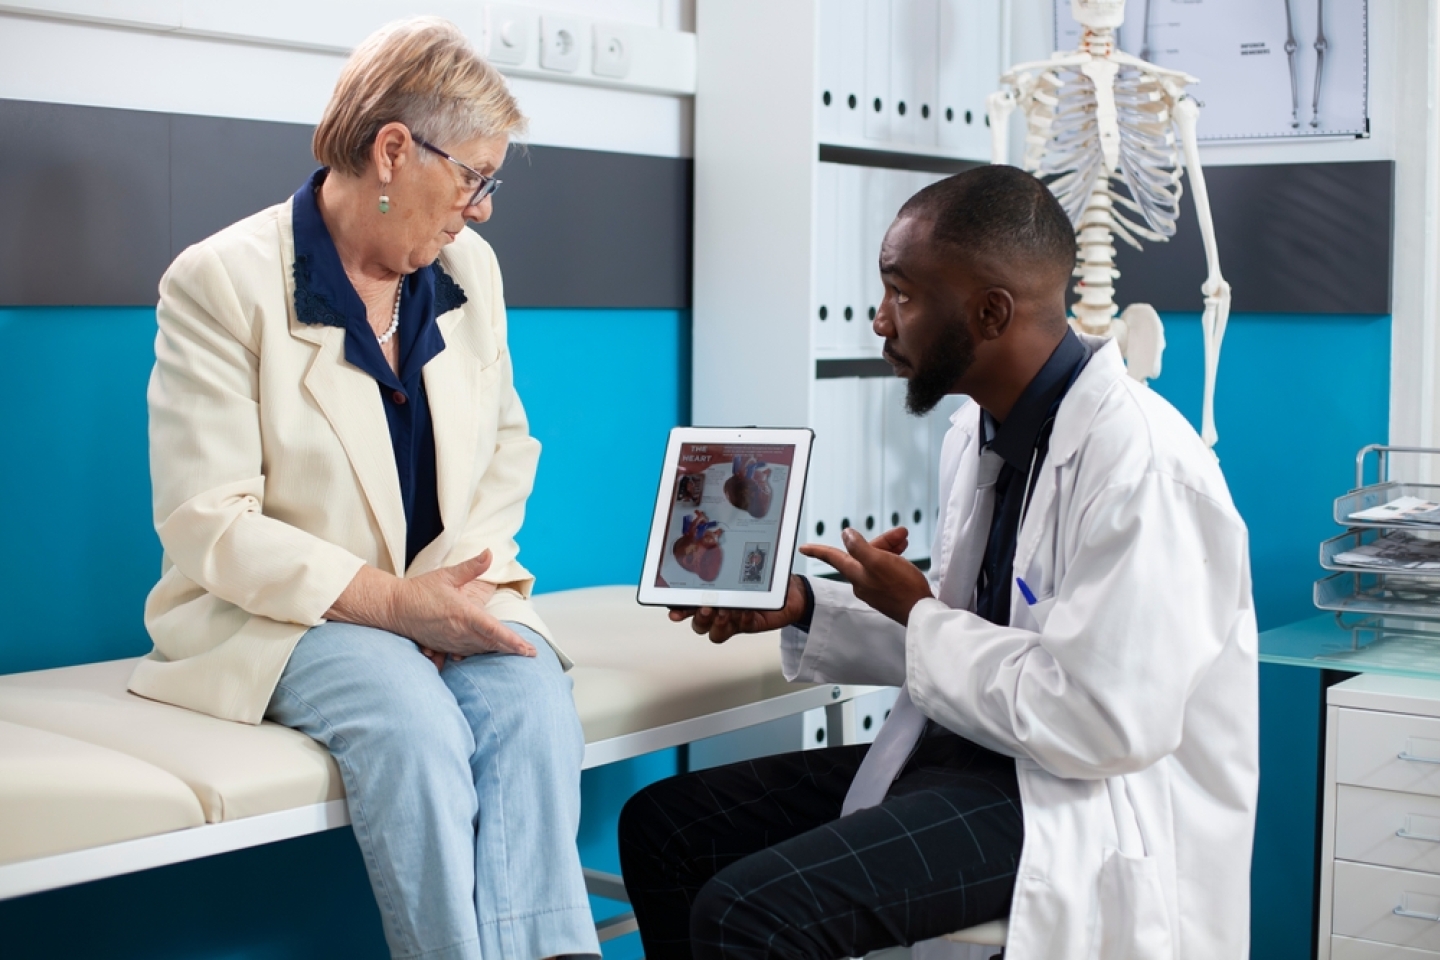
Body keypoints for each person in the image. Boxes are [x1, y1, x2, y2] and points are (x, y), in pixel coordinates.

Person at [618, 166, 1258, 960]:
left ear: (990, 312)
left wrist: (917, 610)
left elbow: (1100, 722)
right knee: (665, 829)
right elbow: (978, 641)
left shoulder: (1146, 471)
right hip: (973, 748)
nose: (880, 320)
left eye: (903, 294)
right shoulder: (980, 433)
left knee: (750, 914)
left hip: (1074, 791)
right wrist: (811, 609)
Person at [133, 18, 599, 960]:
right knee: (412, 717)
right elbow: (206, 521)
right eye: (473, 176)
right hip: (284, 617)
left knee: (531, 694)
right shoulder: (222, 283)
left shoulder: (467, 271)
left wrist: (443, 596)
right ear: (394, 150)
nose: (483, 206)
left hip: (441, 589)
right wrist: (394, 607)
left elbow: (509, 443)